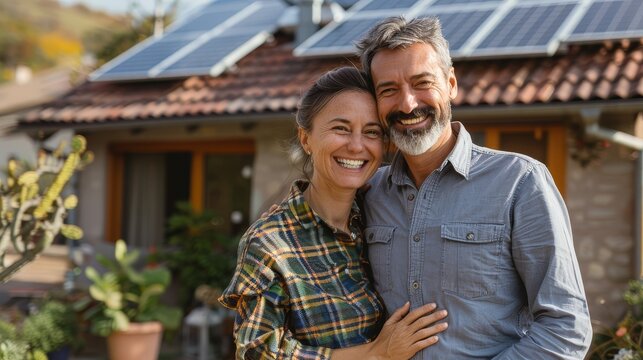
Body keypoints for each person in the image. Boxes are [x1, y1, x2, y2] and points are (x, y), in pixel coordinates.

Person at [354, 16, 592, 359]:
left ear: (451, 84)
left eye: (422, 82)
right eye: (388, 90)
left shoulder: (520, 182)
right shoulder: (368, 192)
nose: (407, 104)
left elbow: (566, 327)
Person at [219, 67, 448, 359]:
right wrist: (374, 355)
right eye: (340, 128)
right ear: (306, 139)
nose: (356, 146)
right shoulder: (270, 243)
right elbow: (257, 351)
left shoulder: (385, 217)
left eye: (371, 132)